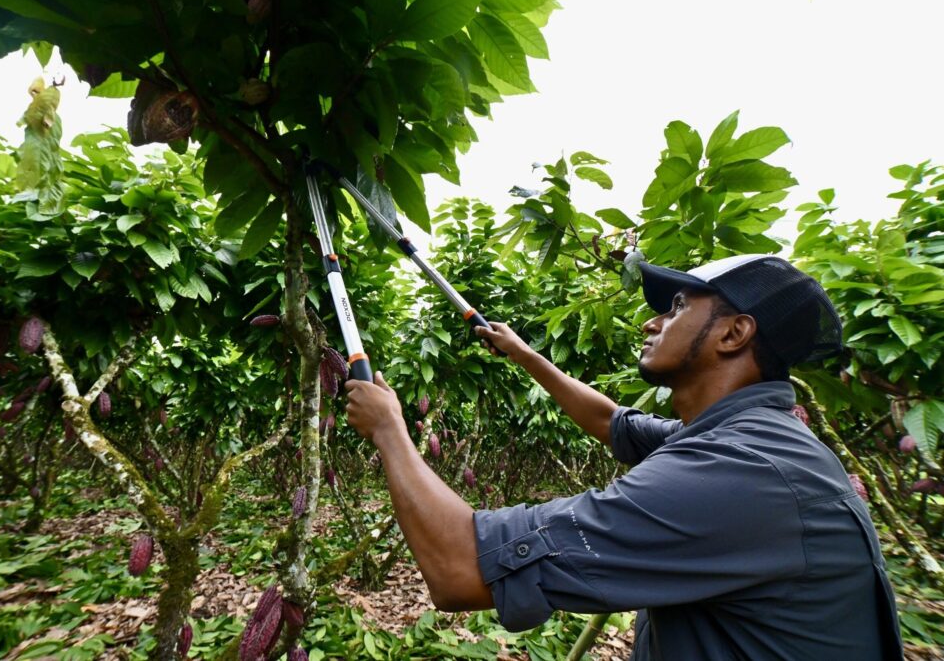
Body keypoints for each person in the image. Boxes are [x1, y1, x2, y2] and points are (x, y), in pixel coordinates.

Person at [345, 253, 904, 660]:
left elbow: (461, 570)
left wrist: (390, 429)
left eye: (679, 306)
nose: (651, 321)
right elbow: (608, 420)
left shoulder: (741, 471)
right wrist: (525, 356)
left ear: (733, 334)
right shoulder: (751, 437)